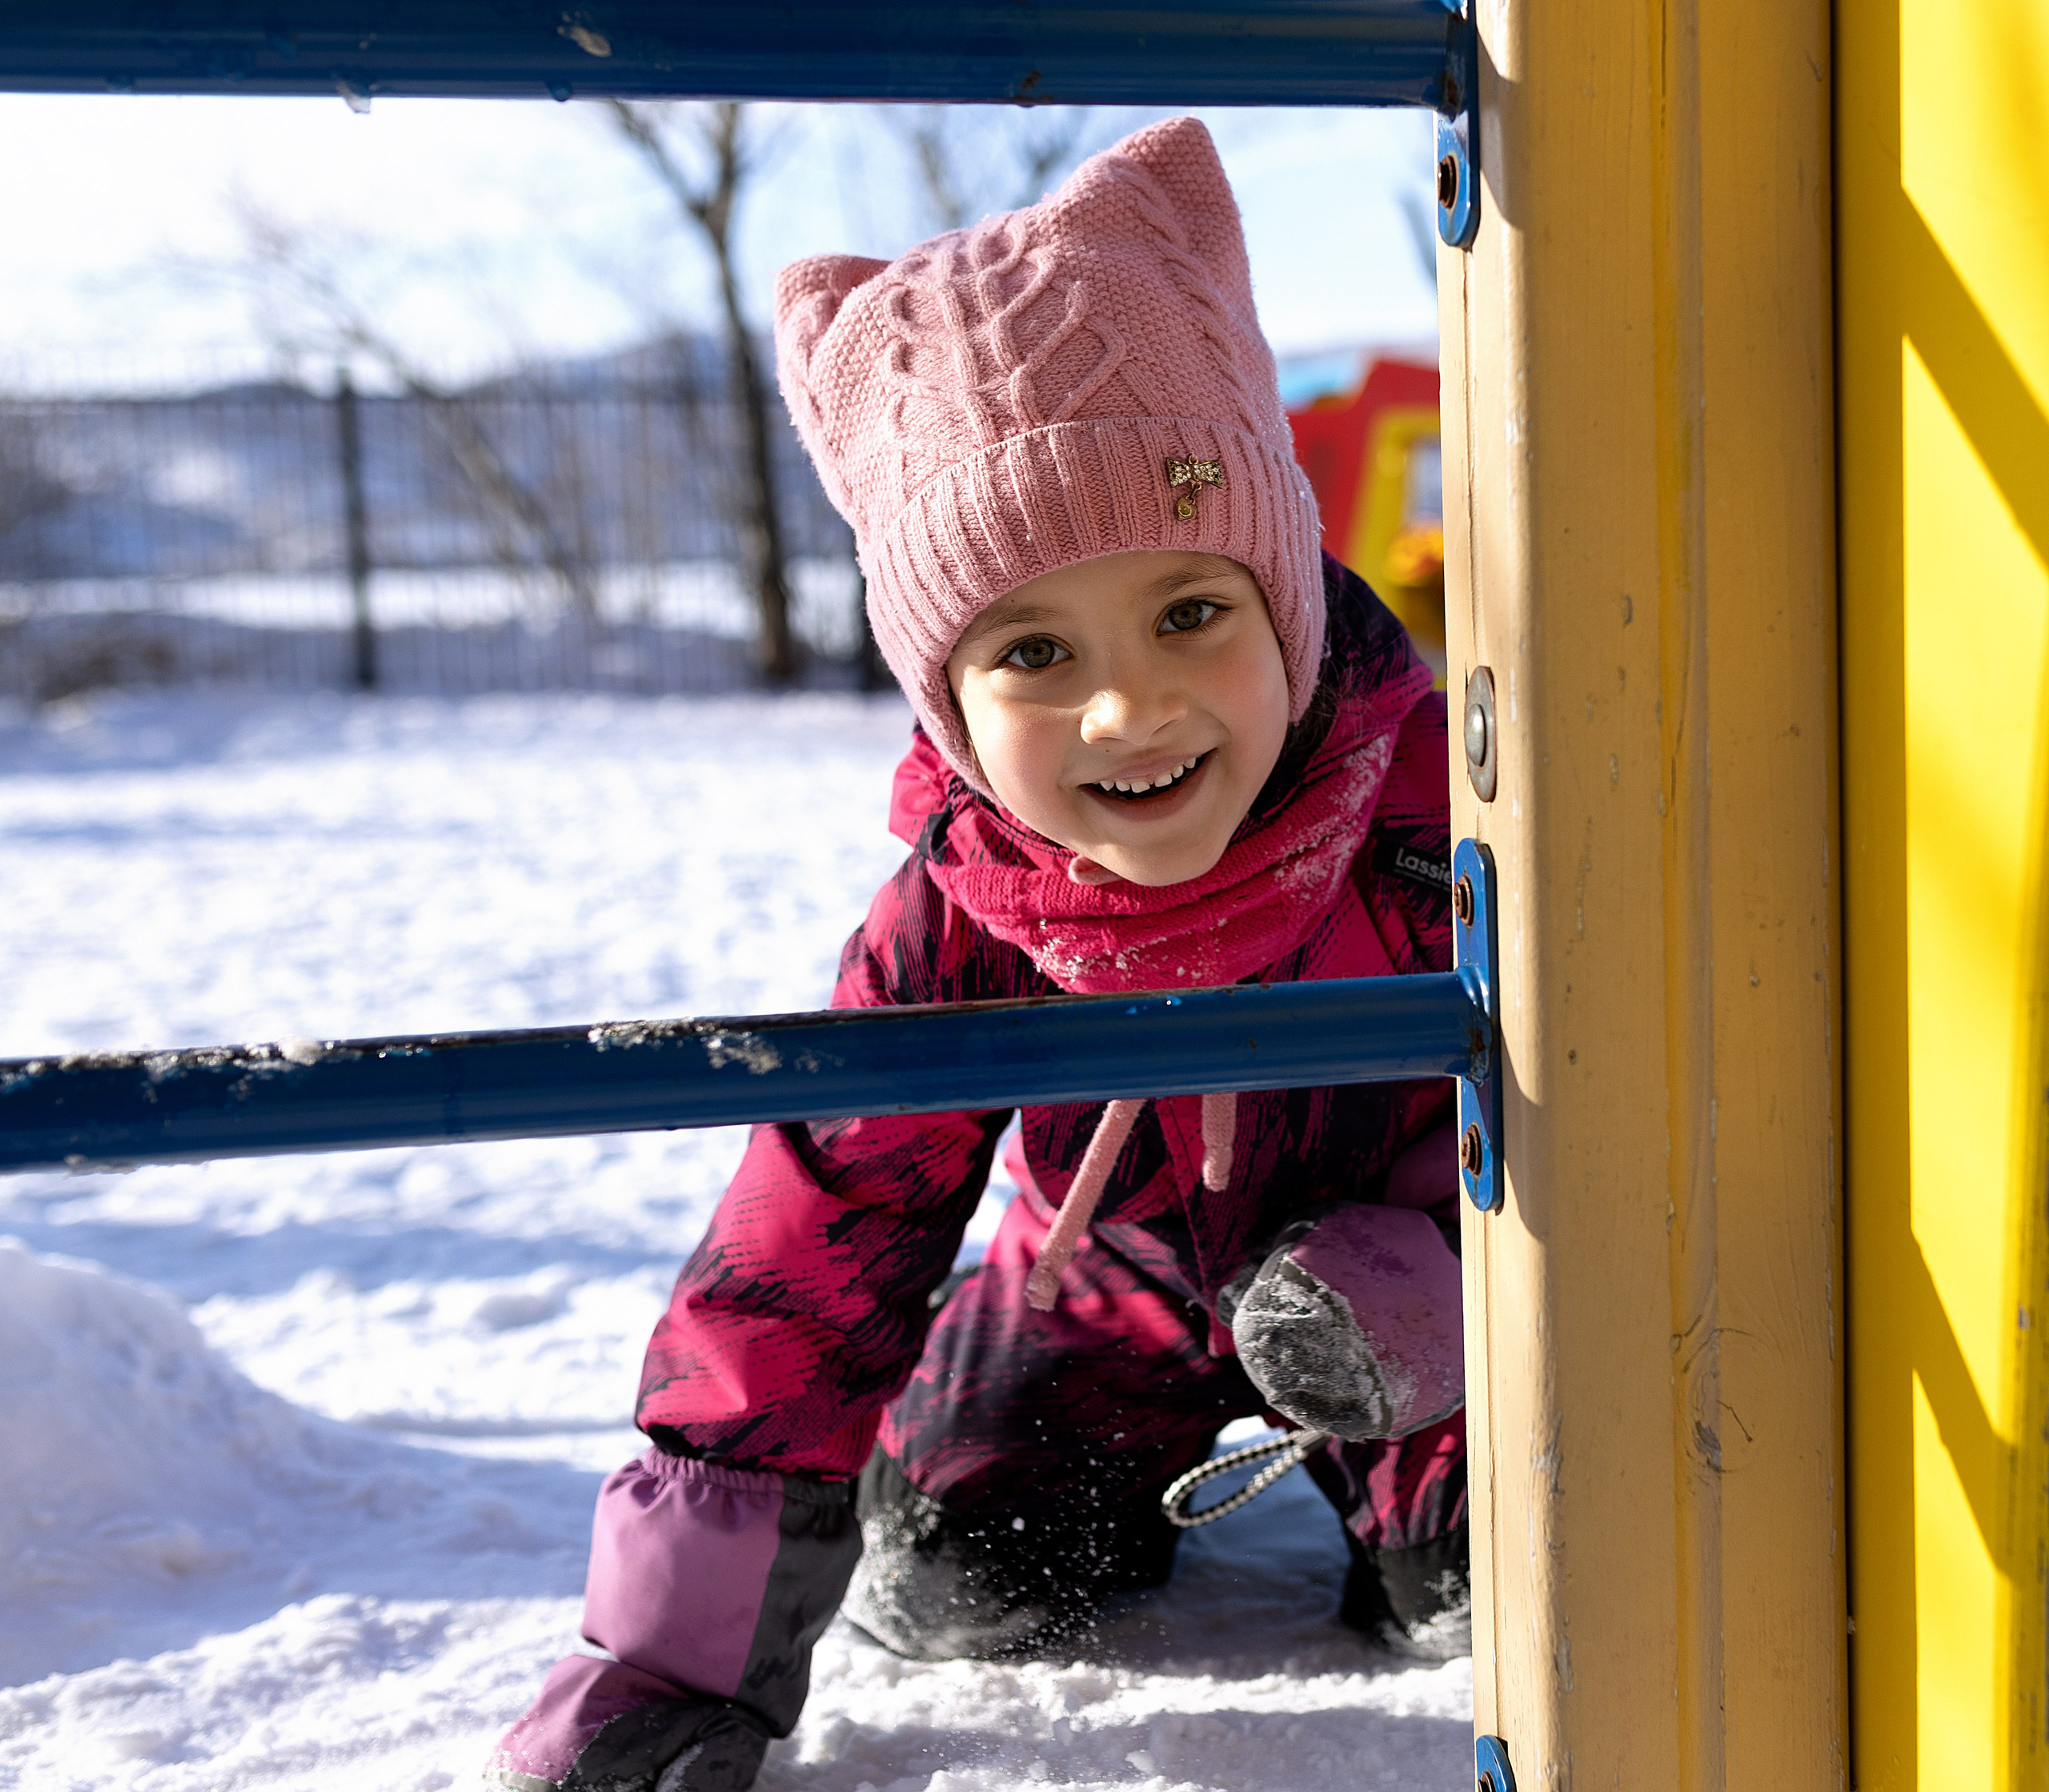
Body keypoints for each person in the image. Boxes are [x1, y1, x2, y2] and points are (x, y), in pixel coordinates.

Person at [485, 115, 1466, 1792]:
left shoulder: (1428, 819)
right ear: (942, 695)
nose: (1126, 706)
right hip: (1097, 1296)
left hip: (1399, 1306)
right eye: (1029, 648)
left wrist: (1444, 1283)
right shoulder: (961, 911)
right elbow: (805, 1247)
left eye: (1189, 610)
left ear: (1286, 600)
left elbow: (1619, 1111)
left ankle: (1419, 1495)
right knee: (952, 1574)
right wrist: (669, 1664)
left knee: (1488, 1589)